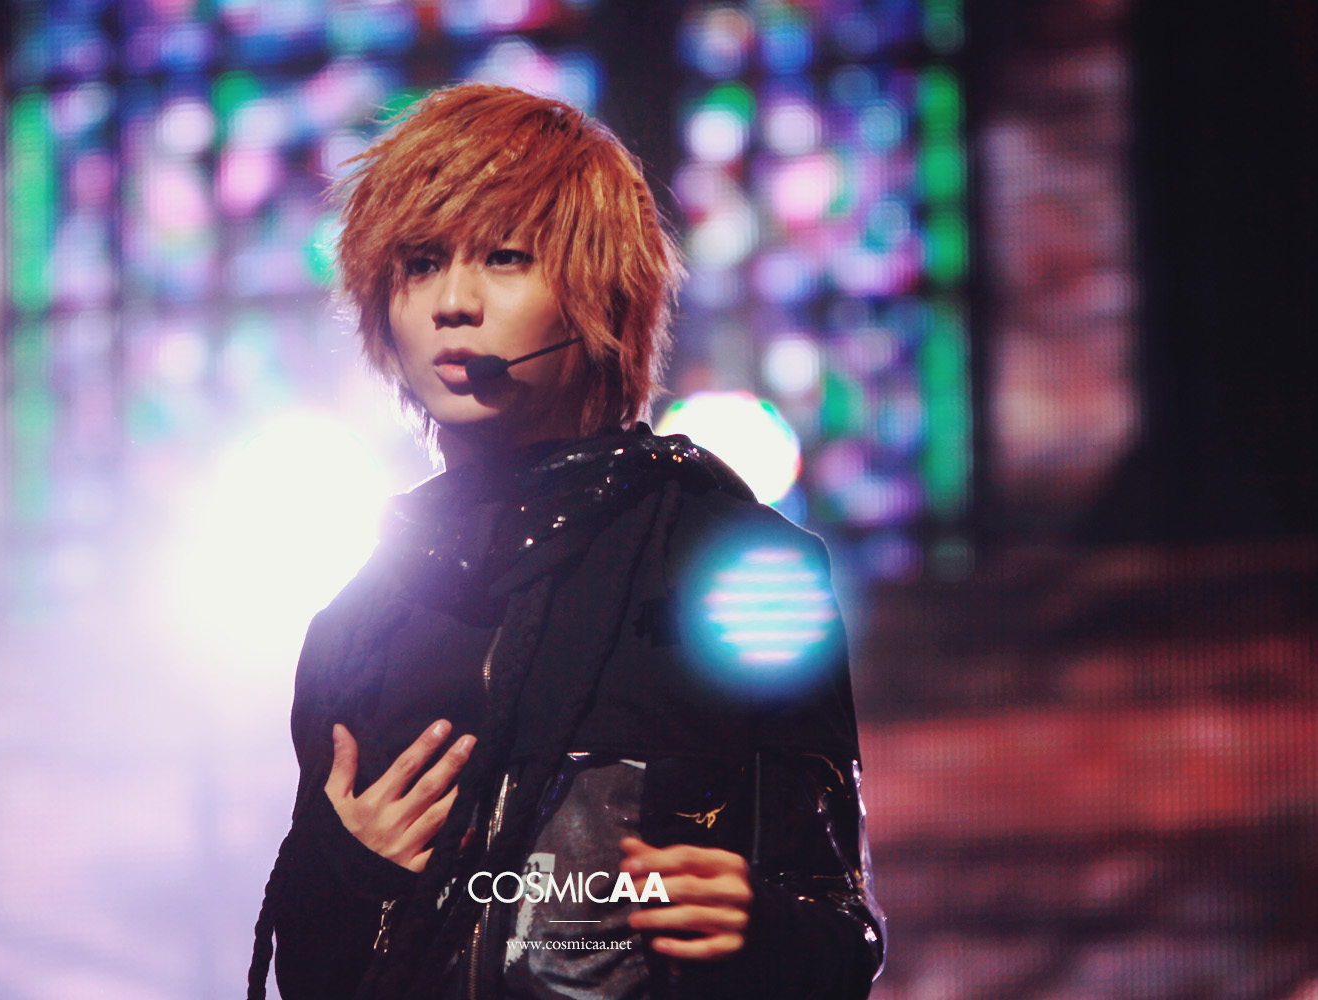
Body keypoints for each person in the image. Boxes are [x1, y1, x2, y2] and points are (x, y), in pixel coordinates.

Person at [247, 83, 884, 1000]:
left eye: (505, 258)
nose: (453, 302)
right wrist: (341, 882)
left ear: (602, 291)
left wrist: (759, 929)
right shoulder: (361, 620)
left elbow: (841, 934)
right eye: (420, 264)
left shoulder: (740, 569)